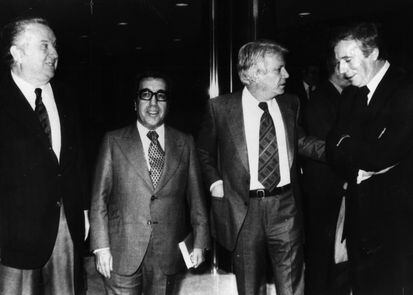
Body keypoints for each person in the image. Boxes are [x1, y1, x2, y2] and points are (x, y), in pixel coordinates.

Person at [197, 40, 324, 295]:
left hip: (285, 206)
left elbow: (300, 141)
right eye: (279, 69)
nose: (287, 75)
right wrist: (214, 181)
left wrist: (339, 150)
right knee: (249, 286)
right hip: (244, 211)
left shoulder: (291, 104)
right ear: (253, 74)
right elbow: (203, 151)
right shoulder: (221, 108)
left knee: (292, 285)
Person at [90, 71, 210, 295]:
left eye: (161, 96)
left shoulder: (185, 142)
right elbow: (99, 200)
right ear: (135, 103)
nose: (153, 102)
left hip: (168, 253)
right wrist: (101, 247)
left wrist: (200, 241)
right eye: (146, 95)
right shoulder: (113, 141)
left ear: (168, 103)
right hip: (121, 251)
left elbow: (196, 198)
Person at [0, 17, 88, 294]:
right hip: (12, 235)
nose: (55, 53)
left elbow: (77, 162)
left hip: (65, 230)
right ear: (18, 53)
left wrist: (83, 211)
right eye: (45, 46)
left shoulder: (67, 97)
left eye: (54, 46)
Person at [326, 22, 413, 294]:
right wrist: (364, 152)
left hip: (398, 224)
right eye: (338, 61)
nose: (341, 70)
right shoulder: (351, 95)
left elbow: (385, 153)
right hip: (358, 221)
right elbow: (332, 150)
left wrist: (350, 145)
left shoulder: (406, 89)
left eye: (348, 60)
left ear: (373, 53)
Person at [302, 57, 351, 295]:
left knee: (333, 255)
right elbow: (327, 146)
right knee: (322, 255)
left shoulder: (339, 96)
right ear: (337, 69)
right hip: (324, 187)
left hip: (333, 185)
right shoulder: (322, 99)